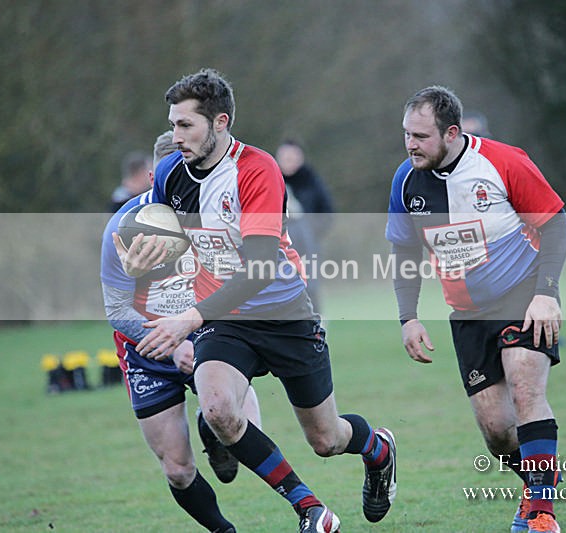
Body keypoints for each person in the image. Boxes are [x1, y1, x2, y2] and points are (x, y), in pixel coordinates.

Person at [118, 68, 396, 533]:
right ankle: (310, 510)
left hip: (283, 313)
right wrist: (144, 261)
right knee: (220, 410)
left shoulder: (257, 169)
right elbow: (173, 247)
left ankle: (378, 449)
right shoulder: (169, 173)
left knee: (326, 439)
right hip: (223, 320)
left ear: (220, 122)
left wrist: (188, 316)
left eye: (186, 124)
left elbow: (261, 265)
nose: (175, 135)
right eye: (172, 124)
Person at [386, 86, 566, 533]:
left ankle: (542, 516)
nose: (411, 144)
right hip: (467, 316)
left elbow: (556, 224)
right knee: (498, 432)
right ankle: (540, 481)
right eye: (407, 134)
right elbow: (404, 253)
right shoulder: (405, 182)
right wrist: (408, 317)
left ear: (452, 132)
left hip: (524, 296)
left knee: (527, 391)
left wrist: (546, 292)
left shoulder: (503, 162)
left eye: (421, 136)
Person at [101, 130, 262, 533]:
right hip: (146, 350)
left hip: (207, 335)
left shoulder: (215, 217)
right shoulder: (123, 227)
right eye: (178, 170)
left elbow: (242, 281)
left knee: (247, 436)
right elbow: (116, 309)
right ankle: (223, 531)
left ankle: (213, 427)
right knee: (177, 469)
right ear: (156, 174)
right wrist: (171, 347)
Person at [275, 140, 335, 311]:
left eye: (292, 157)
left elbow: (327, 213)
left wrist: (309, 233)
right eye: (285, 157)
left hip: (307, 247)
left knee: (310, 287)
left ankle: (316, 328)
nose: (288, 161)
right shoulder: (270, 179)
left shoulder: (311, 181)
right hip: (277, 247)